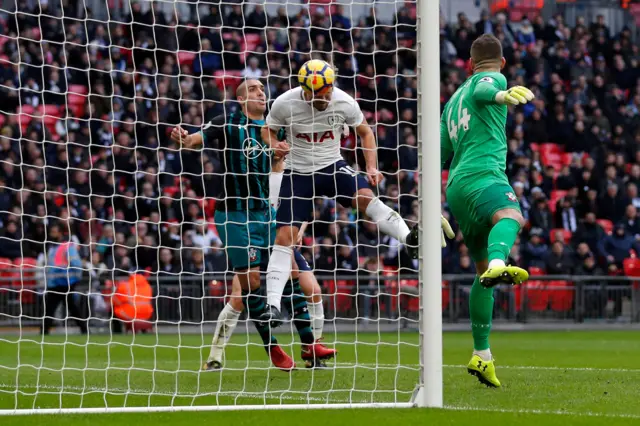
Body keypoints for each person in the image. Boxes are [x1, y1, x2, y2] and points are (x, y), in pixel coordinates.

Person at [170, 79, 333, 371]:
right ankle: (272, 348)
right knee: (250, 285)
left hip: (267, 213)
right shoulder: (227, 122)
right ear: (241, 97)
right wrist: (183, 137)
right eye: (255, 89)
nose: (262, 92)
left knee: (294, 273)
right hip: (233, 213)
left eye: (263, 88)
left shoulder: (276, 126)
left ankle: (310, 345)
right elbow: (195, 140)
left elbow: (282, 167)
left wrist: (282, 157)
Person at [260, 59, 418, 327]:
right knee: (284, 236)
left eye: (329, 91)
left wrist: (371, 166)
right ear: (306, 91)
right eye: (321, 95)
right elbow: (267, 129)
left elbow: (366, 133)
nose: (327, 98)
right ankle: (272, 306)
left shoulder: (344, 101)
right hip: (298, 173)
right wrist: (275, 145)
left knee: (367, 198)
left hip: (332, 166)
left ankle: (410, 239)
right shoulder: (285, 102)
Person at [440, 34, 534, 387]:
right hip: (483, 176)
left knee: (482, 277)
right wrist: (500, 94)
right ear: (503, 62)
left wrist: (431, 204)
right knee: (511, 215)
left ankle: (483, 355)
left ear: (467, 62)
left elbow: (436, 152)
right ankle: (500, 262)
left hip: (456, 190)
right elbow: (484, 87)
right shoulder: (492, 77)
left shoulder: (450, 104)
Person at [205, 159, 328, 370]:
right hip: (255, 236)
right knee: (238, 298)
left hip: (280, 243)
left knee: (313, 289)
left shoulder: (292, 176)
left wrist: (299, 230)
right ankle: (214, 357)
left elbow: (304, 212)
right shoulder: (257, 174)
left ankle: (313, 350)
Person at [41, 224, 88, 335]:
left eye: (54, 231)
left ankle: (44, 332)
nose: (52, 234)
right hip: (55, 283)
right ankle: (84, 330)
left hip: (65, 282)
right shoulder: (53, 248)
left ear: (60, 233)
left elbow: (76, 263)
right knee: (55, 309)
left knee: (60, 309)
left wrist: (77, 278)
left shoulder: (67, 246)